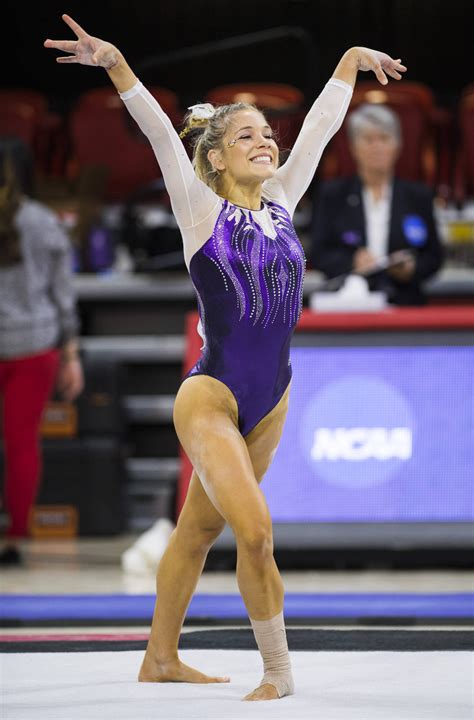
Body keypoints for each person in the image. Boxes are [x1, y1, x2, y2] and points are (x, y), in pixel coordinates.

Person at [45, 14, 406, 701]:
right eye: (247, 135)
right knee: (257, 533)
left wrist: (350, 60)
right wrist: (117, 64)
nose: (266, 141)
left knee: (195, 532)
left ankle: (159, 656)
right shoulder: (198, 210)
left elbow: (323, 130)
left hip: (273, 398)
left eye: (269, 132)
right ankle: (278, 672)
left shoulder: (283, 203)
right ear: (215, 157)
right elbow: (156, 130)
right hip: (211, 396)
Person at [0, 135, 84, 565]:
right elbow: (62, 295)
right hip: (33, 346)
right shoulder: (42, 221)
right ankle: (15, 538)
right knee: (21, 445)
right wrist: (71, 354)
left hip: (28, 346)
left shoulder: (35, 222)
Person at [310, 103, 445, 305]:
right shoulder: (333, 195)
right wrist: (352, 261)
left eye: (384, 139)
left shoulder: (418, 196)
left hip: (405, 303)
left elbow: (434, 255)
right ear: (353, 147)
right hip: (348, 303)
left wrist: (412, 268)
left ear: (398, 145)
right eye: (369, 140)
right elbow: (318, 252)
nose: (377, 147)